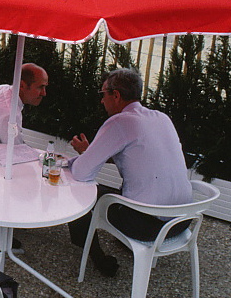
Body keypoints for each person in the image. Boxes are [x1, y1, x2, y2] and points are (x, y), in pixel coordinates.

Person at [67, 69, 192, 277]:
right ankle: (123, 242)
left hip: (149, 227)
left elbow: (81, 173)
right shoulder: (161, 118)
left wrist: (83, 157)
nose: (101, 101)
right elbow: (140, 158)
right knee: (127, 189)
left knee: (78, 191)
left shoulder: (120, 122)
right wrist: (89, 153)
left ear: (115, 95)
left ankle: (98, 257)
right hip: (182, 221)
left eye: (103, 94)